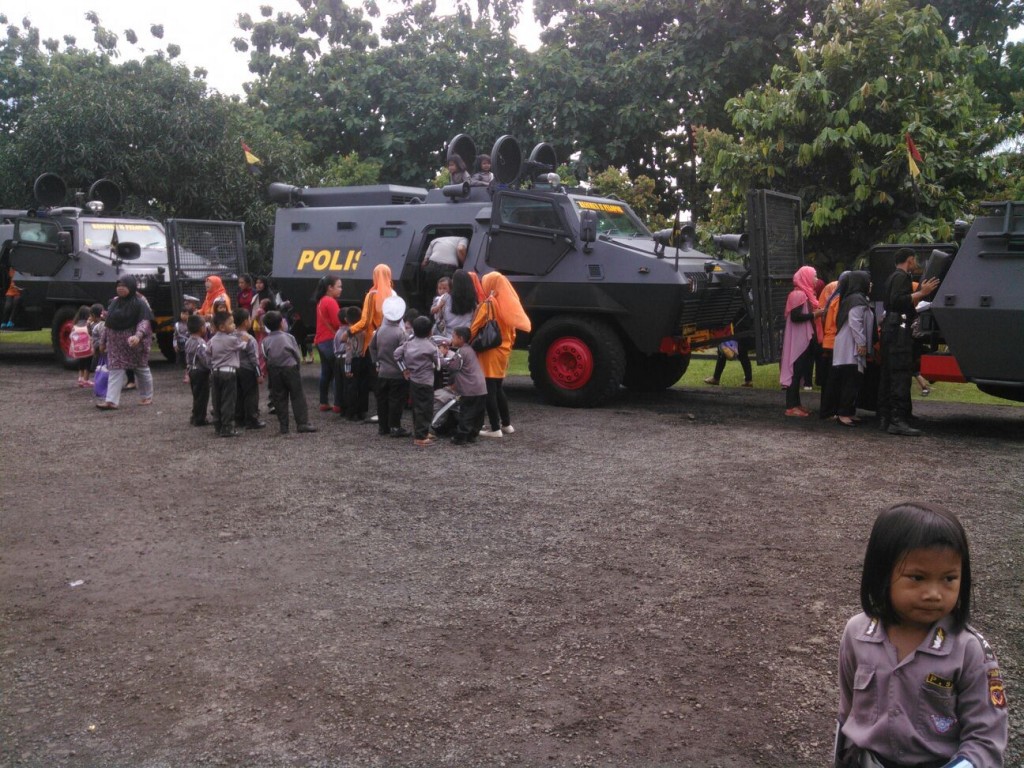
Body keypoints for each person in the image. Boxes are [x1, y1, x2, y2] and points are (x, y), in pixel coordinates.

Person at [835, 502, 1007, 768]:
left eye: (949, 578)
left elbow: (986, 737)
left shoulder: (968, 650)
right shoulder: (857, 634)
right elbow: (848, 713)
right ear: (881, 574)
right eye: (917, 577)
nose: (934, 593)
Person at [877, 249, 939, 436]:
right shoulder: (901, 278)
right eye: (914, 261)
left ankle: (887, 417)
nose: (915, 264)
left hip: (891, 330)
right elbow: (897, 300)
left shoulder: (891, 277)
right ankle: (897, 420)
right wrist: (921, 293)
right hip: (899, 332)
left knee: (889, 375)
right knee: (900, 375)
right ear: (909, 260)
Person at [471, 271, 532, 437]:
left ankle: (495, 428)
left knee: (489, 390)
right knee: (498, 388)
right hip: (503, 350)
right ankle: (506, 424)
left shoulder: (488, 304)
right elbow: (512, 333)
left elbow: (475, 327)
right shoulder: (509, 305)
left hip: (490, 352)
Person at [96, 276, 154, 410]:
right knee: (115, 371)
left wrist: (138, 337)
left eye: (124, 285)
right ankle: (111, 401)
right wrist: (102, 341)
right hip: (115, 345)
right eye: (118, 285)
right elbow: (108, 324)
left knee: (141, 369)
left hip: (134, 345)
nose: (120, 288)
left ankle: (146, 396)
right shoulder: (114, 303)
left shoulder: (139, 303)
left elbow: (144, 322)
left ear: (131, 287)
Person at [829, 271, 874, 428]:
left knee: (853, 379)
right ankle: (843, 413)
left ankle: (847, 411)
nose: (871, 284)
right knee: (850, 379)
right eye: (868, 281)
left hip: (849, 345)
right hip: (851, 346)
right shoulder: (857, 300)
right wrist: (861, 344)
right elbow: (856, 323)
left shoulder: (854, 299)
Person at [261, 310, 317, 435]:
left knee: (279, 397)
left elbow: (265, 356)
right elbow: (296, 353)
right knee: (297, 395)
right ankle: (302, 423)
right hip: (290, 368)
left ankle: (284, 426)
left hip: (274, 370)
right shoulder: (289, 337)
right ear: (282, 323)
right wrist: (297, 365)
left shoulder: (265, 341)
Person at [779, 265, 824, 417]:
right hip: (798, 338)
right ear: (806, 277)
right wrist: (814, 315)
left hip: (804, 338)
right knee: (795, 372)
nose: (816, 279)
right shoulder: (798, 294)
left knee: (799, 372)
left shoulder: (806, 294)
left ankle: (796, 404)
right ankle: (791, 407)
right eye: (814, 276)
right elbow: (795, 317)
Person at [438, 326, 488, 444]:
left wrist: (441, 357)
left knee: (466, 412)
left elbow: (453, 366)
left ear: (460, 338)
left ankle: (461, 436)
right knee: (478, 413)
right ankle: (473, 434)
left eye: (454, 337)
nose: (452, 339)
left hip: (469, 388)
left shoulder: (461, 352)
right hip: (481, 387)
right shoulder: (470, 350)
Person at [369, 294, 410, 437]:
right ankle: (395, 427)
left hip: (382, 372)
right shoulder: (400, 333)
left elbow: (371, 347)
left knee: (382, 401)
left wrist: (376, 362)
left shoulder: (380, 330)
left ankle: (383, 427)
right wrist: (405, 369)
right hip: (397, 373)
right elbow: (403, 354)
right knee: (396, 401)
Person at [396, 315, 440, 446]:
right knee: (425, 409)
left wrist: (404, 369)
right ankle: (421, 436)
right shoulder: (431, 347)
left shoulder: (408, 343)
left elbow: (396, 354)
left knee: (417, 408)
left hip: (414, 380)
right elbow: (438, 364)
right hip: (426, 381)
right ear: (429, 331)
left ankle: (421, 431)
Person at [208, 310, 249, 437]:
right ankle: (227, 427)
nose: (234, 326)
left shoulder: (212, 340)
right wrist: (245, 340)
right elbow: (242, 346)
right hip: (228, 373)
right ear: (222, 327)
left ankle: (218, 425)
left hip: (215, 372)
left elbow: (207, 353)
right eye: (231, 324)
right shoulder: (231, 340)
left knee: (217, 399)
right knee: (228, 400)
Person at [817, 272, 850, 420]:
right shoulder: (839, 300)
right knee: (833, 379)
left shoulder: (833, 297)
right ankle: (828, 411)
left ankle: (828, 409)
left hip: (829, 342)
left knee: (830, 379)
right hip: (834, 343)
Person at [312, 275, 343, 413]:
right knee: (338, 373)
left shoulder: (321, 301)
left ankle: (323, 402)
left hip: (320, 341)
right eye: (339, 286)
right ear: (330, 288)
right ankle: (338, 404)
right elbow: (337, 323)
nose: (341, 289)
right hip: (330, 341)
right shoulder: (330, 301)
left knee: (326, 373)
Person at [233, 308, 266, 429]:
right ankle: (252, 419)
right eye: (249, 318)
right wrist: (259, 373)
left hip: (235, 368)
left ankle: (239, 418)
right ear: (245, 322)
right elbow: (254, 358)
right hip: (248, 370)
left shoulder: (231, 335)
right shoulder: (249, 338)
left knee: (238, 394)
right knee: (251, 394)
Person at [340, 305, 369, 422]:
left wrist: (347, 368)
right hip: (364, 359)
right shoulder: (364, 330)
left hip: (353, 361)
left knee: (351, 387)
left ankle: (351, 412)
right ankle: (362, 411)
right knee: (363, 386)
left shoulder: (350, 332)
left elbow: (349, 352)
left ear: (347, 320)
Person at [184, 313, 212, 427]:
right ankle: (200, 418)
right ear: (201, 328)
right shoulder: (201, 343)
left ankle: (195, 415)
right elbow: (205, 360)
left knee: (196, 394)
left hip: (191, 370)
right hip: (201, 372)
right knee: (202, 396)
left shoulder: (188, 341)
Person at [69, 305, 94, 387]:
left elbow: (71, 336)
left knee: (81, 362)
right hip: (88, 348)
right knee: (88, 363)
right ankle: (86, 379)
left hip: (78, 349)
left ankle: (80, 378)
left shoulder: (75, 324)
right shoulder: (88, 323)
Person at [173, 308, 192, 383]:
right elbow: (175, 335)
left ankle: (189, 375)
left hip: (189, 344)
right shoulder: (177, 324)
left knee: (189, 359)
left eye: (186, 314)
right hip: (181, 344)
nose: (184, 316)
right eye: (183, 314)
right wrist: (175, 344)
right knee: (183, 360)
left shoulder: (191, 324)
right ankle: (186, 374)